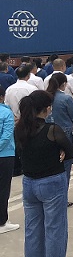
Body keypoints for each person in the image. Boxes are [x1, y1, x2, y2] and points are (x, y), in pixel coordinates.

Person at [16, 90, 73, 257]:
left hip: (29, 183)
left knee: (32, 235)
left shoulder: (20, 130)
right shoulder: (52, 129)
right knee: (55, 233)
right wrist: (61, 152)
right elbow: (71, 152)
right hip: (52, 183)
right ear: (47, 108)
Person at [45, 73, 73, 195]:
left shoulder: (46, 97)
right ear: (64, 84)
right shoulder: (66, 98)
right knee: (66, 165)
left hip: (47, 132)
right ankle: (63, 195)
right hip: (65, 133)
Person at [0, 85, 19, 234]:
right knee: (3, 188)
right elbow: (6, 136)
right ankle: (2, 221)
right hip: (5, 155)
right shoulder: (6, 112)